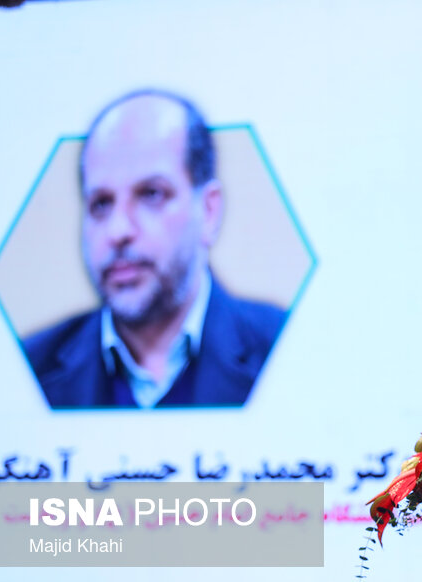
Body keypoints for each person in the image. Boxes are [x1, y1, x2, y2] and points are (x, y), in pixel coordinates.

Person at [23, 90, 285, 408]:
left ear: (209, 211)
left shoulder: (288, 351)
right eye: (101, 204)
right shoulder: (26, 370)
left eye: (151, 195)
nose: (119, 231)